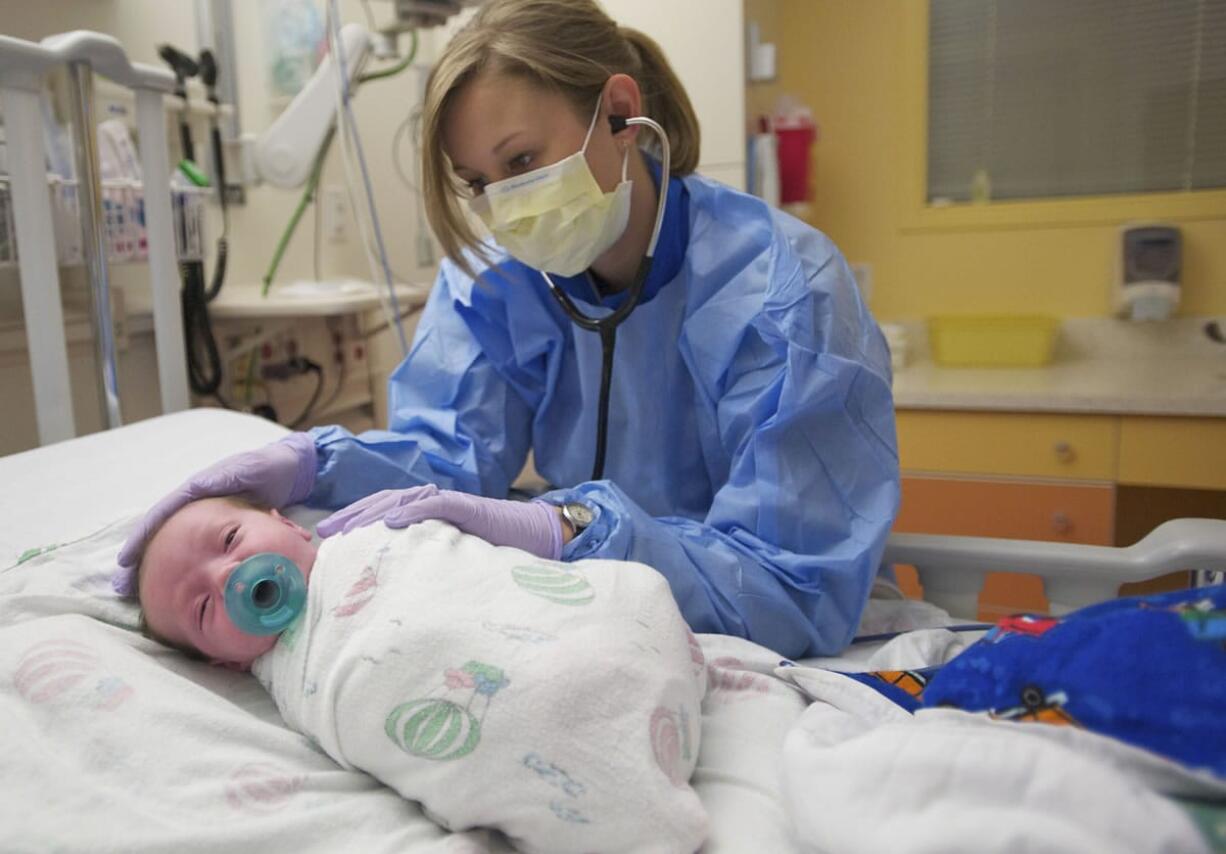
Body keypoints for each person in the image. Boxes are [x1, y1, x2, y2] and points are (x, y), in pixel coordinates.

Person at [116, 0, 899, 660]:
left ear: (621, 114)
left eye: (524, 159)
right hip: (575, 620)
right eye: (479, 183)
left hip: (745, 636)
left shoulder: (781, 295)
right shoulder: (496, 279)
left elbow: (797, 589)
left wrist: (565, 529)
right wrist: (311, 465)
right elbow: (448, 461)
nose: (507, 206)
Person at [132, 494, 710, 851]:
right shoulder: (292, 681)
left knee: (617, 608)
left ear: (290, 524)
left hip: (572, 627)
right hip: (514, 705)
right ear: (225, 661)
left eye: (231, 538)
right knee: (528, 715)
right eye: (203, 609)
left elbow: (475, 571)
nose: (227, 576)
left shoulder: (377, 533)